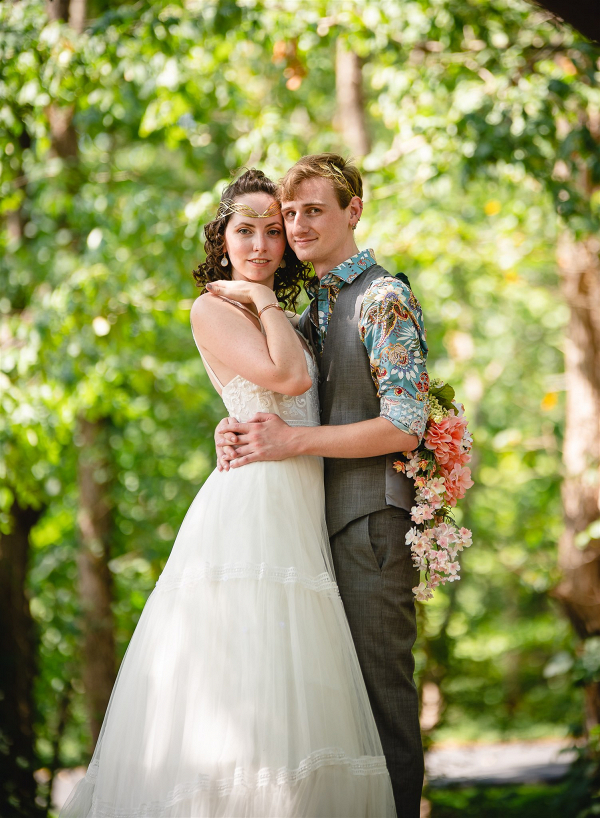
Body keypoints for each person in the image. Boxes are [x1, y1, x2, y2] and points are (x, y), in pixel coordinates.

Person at [60, 169, 396, 818]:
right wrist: (257, 297)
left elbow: (301, 393)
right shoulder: (214, 306)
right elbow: (287, 378)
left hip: (302, 500)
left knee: (296, 689)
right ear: (222, 239)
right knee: (248, 676)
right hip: (254, 505)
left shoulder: (289, 314)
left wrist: (264, 308)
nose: (263, 245)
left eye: (276, 231)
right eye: (247, 230)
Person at [214, 155, 429, 817]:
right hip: (307, 531)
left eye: (314, 211)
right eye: (291, 215)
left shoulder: (381, 297)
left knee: (382, 712)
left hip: (367, 529)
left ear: (353, 210)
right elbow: (285, 395)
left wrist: (291, 442)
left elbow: (405, 423)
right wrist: (235, 431)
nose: (298, 226)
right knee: (334, 722)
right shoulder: (318, 304)